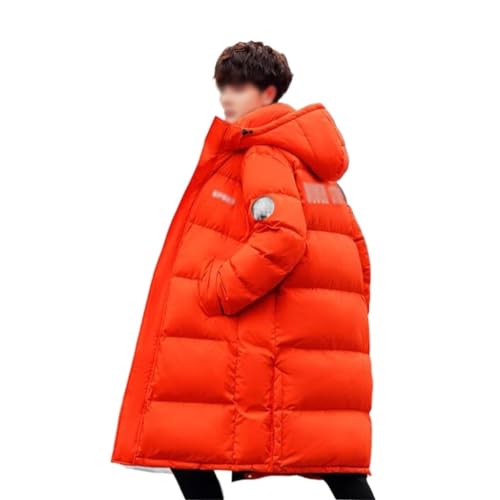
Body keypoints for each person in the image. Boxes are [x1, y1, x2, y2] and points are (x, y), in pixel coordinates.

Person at [110, 40, 375, 500]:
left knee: (183, 439)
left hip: (264, 332)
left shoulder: (264, 153)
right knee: (327, 457)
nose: (226, 98)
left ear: (268, 92)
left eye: (238, 87)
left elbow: (281, 238)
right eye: (223, 87)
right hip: (309, 335)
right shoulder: (312, 165)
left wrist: (217, 287)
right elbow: (357, 253)